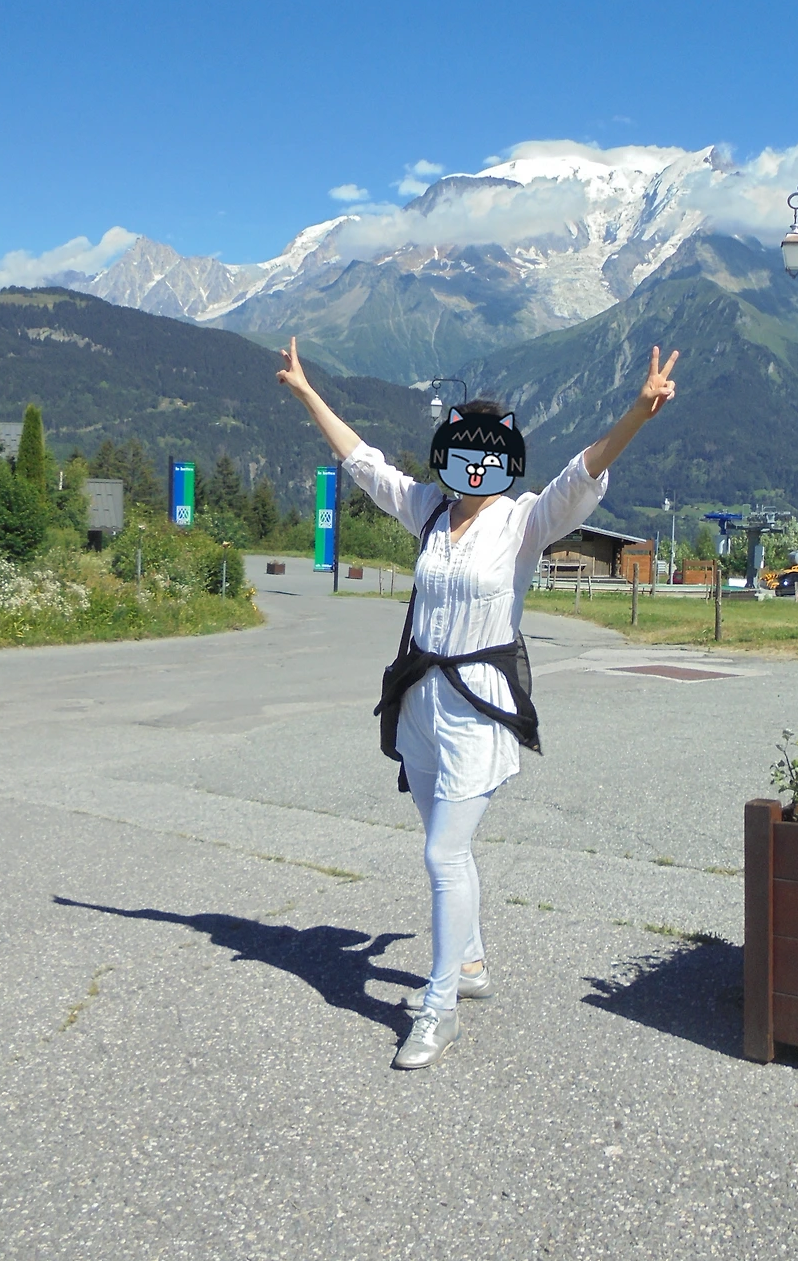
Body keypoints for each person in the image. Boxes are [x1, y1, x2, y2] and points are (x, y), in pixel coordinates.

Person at [276, 337, 679, 1069]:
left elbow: (584, 471)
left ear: (507, 459)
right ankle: (470, 962)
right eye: (464, 451)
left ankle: (439, 1009)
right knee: (449, 848)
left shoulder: (525, 521)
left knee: (442, 852)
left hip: (479, 706)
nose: (474, 466)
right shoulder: (429, 510)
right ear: (447, 454)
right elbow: (365, 464)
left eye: (489, 454)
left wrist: (638, 412)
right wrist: (306, 392)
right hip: (420, 704)